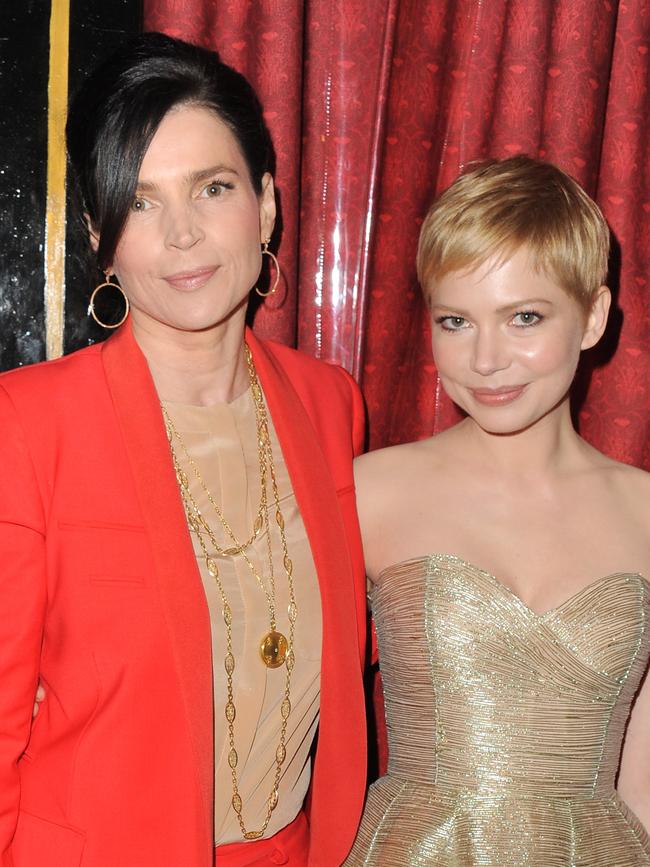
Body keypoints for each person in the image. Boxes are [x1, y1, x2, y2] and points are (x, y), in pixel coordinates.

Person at [0, 33, 368, 867]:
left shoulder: (329, 404)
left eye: (213, 187)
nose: (182, 235)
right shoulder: (26, 426)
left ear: (266, 203)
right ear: (100, 232)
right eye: (140, 200)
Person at [346, 156, 650, 865]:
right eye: (456, 319)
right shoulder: (368, 492)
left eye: (524, 317)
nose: (485, 358)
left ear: (593, 316)